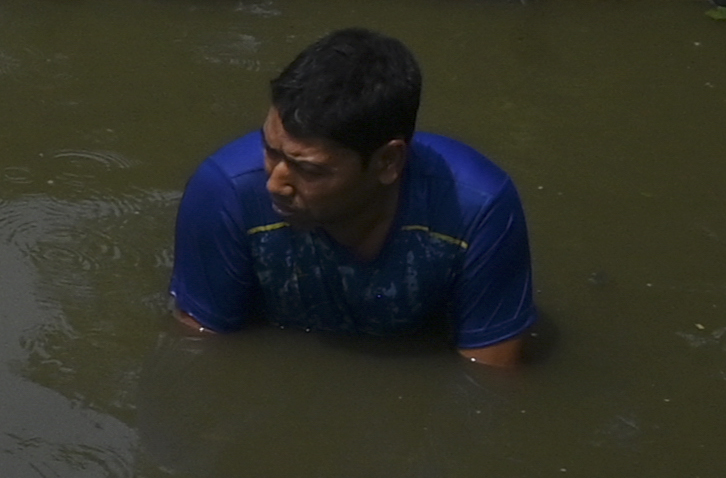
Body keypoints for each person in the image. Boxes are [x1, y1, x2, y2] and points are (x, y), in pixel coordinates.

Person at [171, 27, 534, 369]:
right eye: (270, 150)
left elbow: (488, 381)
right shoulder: (226, 195)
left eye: (309, 169)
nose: (276, 183)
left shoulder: (477, 210)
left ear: (388, 162)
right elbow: (202, 358)